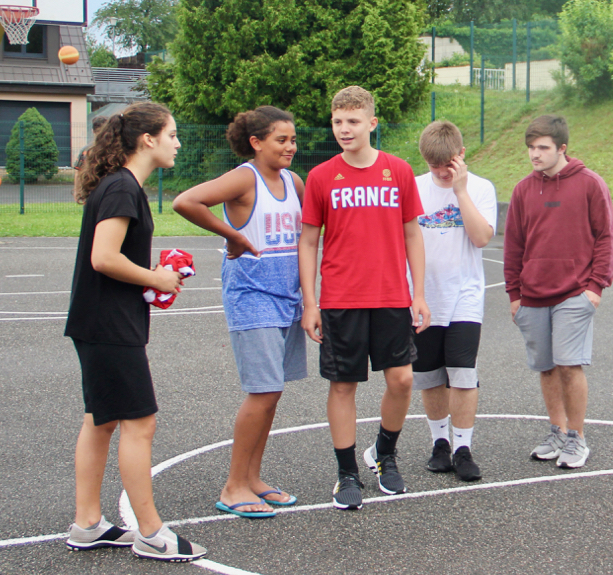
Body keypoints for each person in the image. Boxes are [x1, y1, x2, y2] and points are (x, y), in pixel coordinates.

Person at [64, 101, 206, 561]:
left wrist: (152, 276)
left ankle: (88, 524)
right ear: (148, 139)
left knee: (101, 419)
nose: (177, 143)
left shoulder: (119, 185)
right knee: (139, 422)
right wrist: (156, 278)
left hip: (98, 320)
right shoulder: (123, 188)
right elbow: (104, 257)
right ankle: (150, 532)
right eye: (172, 134)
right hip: (108, 325)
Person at [172, 106, 306, 519]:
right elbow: (186, 201)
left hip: (288, 296)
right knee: (262, 391)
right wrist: (231, 235)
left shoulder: (293, 182)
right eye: (281, 140)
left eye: (293, 140)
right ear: (256, 142)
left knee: (273, 391)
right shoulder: (245, 178)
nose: (290, 147)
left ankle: (253, 478)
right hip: (253, 295)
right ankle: (233, 486)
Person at [298, 86, 429, 510]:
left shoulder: (398, 171)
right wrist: (311, 302)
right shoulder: (321, 177)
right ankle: (347, 473)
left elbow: (413, 234)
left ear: (372, 123)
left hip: (391, 295)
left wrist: (419, 293)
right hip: (341, 298)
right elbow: (308, 242)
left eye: (353, 121)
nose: (344, 129)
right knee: (343, 385)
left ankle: (385, 454)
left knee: (402, 380)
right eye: (338, 121)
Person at [504, 114, 613, 469]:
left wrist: (595, 288)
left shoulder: (590, 184)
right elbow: (513, 245)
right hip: (532, 295)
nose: (534, 154)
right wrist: (514, 295)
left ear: (562, 148)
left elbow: (606, 237)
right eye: (530, 147)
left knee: (569, 366)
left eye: (542, 148)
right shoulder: (523, 190)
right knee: (547, 368)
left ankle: (576, 438)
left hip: (574, 293)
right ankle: (557, 431)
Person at [412, 120, 497, 482]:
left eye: (448, 165)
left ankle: (463, 448)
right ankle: (440, 444)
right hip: (423, 296)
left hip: (464, 296)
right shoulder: (414, 187)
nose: (442, 173)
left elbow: (481, 238)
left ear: (461, 155)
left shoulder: (480, 188)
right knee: (429, 374)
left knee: (463, 374)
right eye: (434, 167)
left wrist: (460, 191)